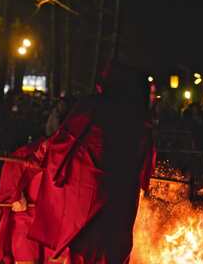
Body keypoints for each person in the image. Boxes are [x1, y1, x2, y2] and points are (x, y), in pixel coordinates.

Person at [28, 62, 156, 263]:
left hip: (91, 194)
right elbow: (145, 163)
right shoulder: (140, 119)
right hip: (122, 196)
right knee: (113, 247)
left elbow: (66, 139)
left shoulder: (93, 106)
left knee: (88, 248)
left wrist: (41, 155)